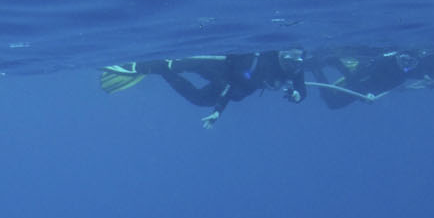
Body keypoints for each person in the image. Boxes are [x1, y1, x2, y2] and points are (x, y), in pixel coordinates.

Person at [100, 50, 306, 125]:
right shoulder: (263, 63)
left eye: (298, 60)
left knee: (199, 99)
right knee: (186, 64)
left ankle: (163, 70)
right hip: (222, 71)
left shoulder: (294, 69)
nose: (294, 63)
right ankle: (139, 67)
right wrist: (218, 112)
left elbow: (302, 89)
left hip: (233, 87)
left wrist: (297, 95)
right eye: (290, 58)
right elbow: (227, 88)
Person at [308, 45, 434, 109]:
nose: (406, 65)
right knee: (333, 103)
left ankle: (324, 67)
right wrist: (364, 95)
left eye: (411, 62)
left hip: (371, 88)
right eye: (404, 60)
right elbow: (355, 78)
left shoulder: (409, 70)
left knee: (333, 103)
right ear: (397, 56)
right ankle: (320, 69)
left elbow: (427, 75)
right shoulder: (383, 63)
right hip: (362, 82)